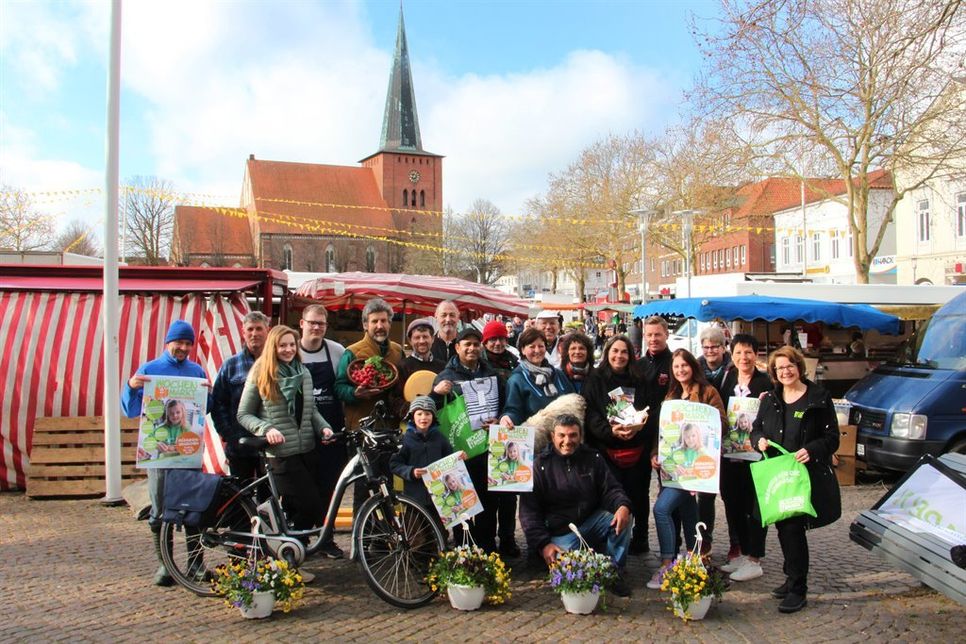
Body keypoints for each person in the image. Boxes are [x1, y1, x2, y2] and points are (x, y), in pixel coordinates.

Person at [750, 346, 839, 614]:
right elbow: (756, 428)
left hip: (804, 475)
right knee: (782, 525)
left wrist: (812, 450)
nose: (786, 371)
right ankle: (791, 579)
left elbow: (832, 438)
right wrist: (759, 441)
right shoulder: (770, 399)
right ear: (775, 373)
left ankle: (799, 587)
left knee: (792, 528)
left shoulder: (819, 398)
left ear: (799, 367)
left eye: (790, 366)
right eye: (780, 368)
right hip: (777, 475)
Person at [121, 319, 209, 586]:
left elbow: (204, 410)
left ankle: (195, 563)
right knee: (159, 510)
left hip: (188, 453)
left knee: (193, 507)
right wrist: (131, 386)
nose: (182, 347)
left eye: (187, 344)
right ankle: (165, 565)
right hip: (159, 458)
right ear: (167, 343)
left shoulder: (197, 371)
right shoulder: (150, 369)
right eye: (178, 342)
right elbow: (130, 410)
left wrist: (209, 393)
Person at [519, 414, 632, 598]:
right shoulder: (539, 465)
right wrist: (543, 544)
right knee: (572, 567)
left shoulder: (593, 458)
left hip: (589, 524)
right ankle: (582, 560)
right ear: (552, 437)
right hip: (560, 534)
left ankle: (613, 572)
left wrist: (622, 505)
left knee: (624, 516)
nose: (567, 441)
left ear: (580, 436)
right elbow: (528, 513)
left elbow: (611, 489)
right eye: (562, 435)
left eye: (573, 435)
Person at [237, 326, 334, 536]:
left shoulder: (303, 372)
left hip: (306, 450)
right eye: (282, 345)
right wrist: (266, 428)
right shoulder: (261, 372)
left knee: (298, 508)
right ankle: (286, 548)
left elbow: (311, 410)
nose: (288, 349)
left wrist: (324, 427)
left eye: (292, 344)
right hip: (280, 454)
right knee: (311, 506)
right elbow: (243, 414)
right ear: (273, 347)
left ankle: (292, 552)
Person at [647, 348, 728, 590]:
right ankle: (695, 561)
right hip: (674, 466)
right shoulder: (671, 395)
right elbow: (663, 431)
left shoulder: (707, 392)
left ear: (693, 366)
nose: (680, 370)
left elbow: (722, 424)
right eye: (676, 367)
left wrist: (701, 422)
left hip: (696, 467)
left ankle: (666, 562)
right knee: (689, 511)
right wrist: (655, 453)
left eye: (684, 365)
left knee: (661, 509)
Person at [432, 327, 506, 553]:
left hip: (486, 449)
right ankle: (464, 549)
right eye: (467, 344)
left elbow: (503, 404)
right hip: (459, 451)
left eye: (476, 344)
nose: (472, 348)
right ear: (457, 347)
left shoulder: (491, 374)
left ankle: (486, 548)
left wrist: (499, 419)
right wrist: (436, 393)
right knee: (460, 500)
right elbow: (428, 411)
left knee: (488, 502)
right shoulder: (445, 376)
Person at [582, 334, 652, 555]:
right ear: (607, 353)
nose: (619, 356)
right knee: (609, 496)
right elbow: (590, 414)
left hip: (636, 448)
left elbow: (649, 410)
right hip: (606, 449)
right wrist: (610, 432)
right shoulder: (595, 379)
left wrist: (636, 427)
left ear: (630, 355)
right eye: (615, 351)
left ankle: (640, 538)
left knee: (639, 496)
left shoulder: (640, 380)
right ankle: (610, 538)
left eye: (624, 352)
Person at [718, 333, 772, 581]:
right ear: (732, 353)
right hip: (730, 456)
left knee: (755, 506)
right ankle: (740, 552)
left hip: (756, 456)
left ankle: (754, 558)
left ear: (756, 355)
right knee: (733, 503)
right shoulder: (727, 377)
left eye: (748, 352)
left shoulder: (765, 383)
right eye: (739, 352)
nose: (743, 357)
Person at [298, 305, 347, 559]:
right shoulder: (290, 350)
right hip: (301, 434)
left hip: (333, 434)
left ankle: (326, 539)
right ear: (302, 323)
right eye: (312, 322)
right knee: (303, 490)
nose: (316, 327)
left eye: (321, 323)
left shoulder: (337, 352)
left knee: (331, 489)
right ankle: (302, 538)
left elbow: (344, 386)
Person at [629, 315, 673, 553]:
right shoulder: (638, 365)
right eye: (649, 335)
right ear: (644, 336)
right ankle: (641, 535)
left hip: (668, 436)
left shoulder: (675, 363)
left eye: (658, 334)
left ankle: (672, 544)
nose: (654, 339)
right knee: (639, 489)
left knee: (670, 491)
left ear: (666, 335)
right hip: (641, 436)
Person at [211, 311, 270, 482]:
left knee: (269, 498)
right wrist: (230, 436)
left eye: (259, 329)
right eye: (250, 329)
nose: (254, 333)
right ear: (243, 332)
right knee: (240, 497)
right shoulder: (231, 365)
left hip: (270, 445)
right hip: (239, 446)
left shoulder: (277, 364)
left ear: (268, 330)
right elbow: (218, 403)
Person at [334, 298, 403, 433]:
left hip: (392, 426)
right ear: (365, 325)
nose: (380, 326)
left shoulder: (398, 351)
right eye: (374, 321)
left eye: (383, 321)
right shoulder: (352, 352)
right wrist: (354, 393)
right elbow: (338, 387)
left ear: (389, 324)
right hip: (362, 427)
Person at [695, 325, 732, 555]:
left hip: (730, 442)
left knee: (731, 495)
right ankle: (704, 541)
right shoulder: (696, 368)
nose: (710, 351)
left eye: (714, 347)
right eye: (706, 347)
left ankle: (737, 544)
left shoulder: (733, 368)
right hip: (704, 445)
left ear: (723, 347)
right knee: (705, 497)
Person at [389, 396, 459, 517]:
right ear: (412, 416)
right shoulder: (405, 440)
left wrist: (458, 457)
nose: (423, 418)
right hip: (414, 497)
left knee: (440, 533)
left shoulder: (440, 438)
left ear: (433, 416)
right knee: (416, 532)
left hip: (438, 497)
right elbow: (395, 464)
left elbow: (450, 459)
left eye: (427, 414)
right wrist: (411, 472)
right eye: (419, 413)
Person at [500, 327, 574, 427]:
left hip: (564, 436)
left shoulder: (558, 374)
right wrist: (507, 418)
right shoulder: (517, 380)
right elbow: (513, 410)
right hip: (536, 438)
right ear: (522, 350)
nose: (537, 350)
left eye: (541, 346)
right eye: (532, 347)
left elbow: (572, 399)